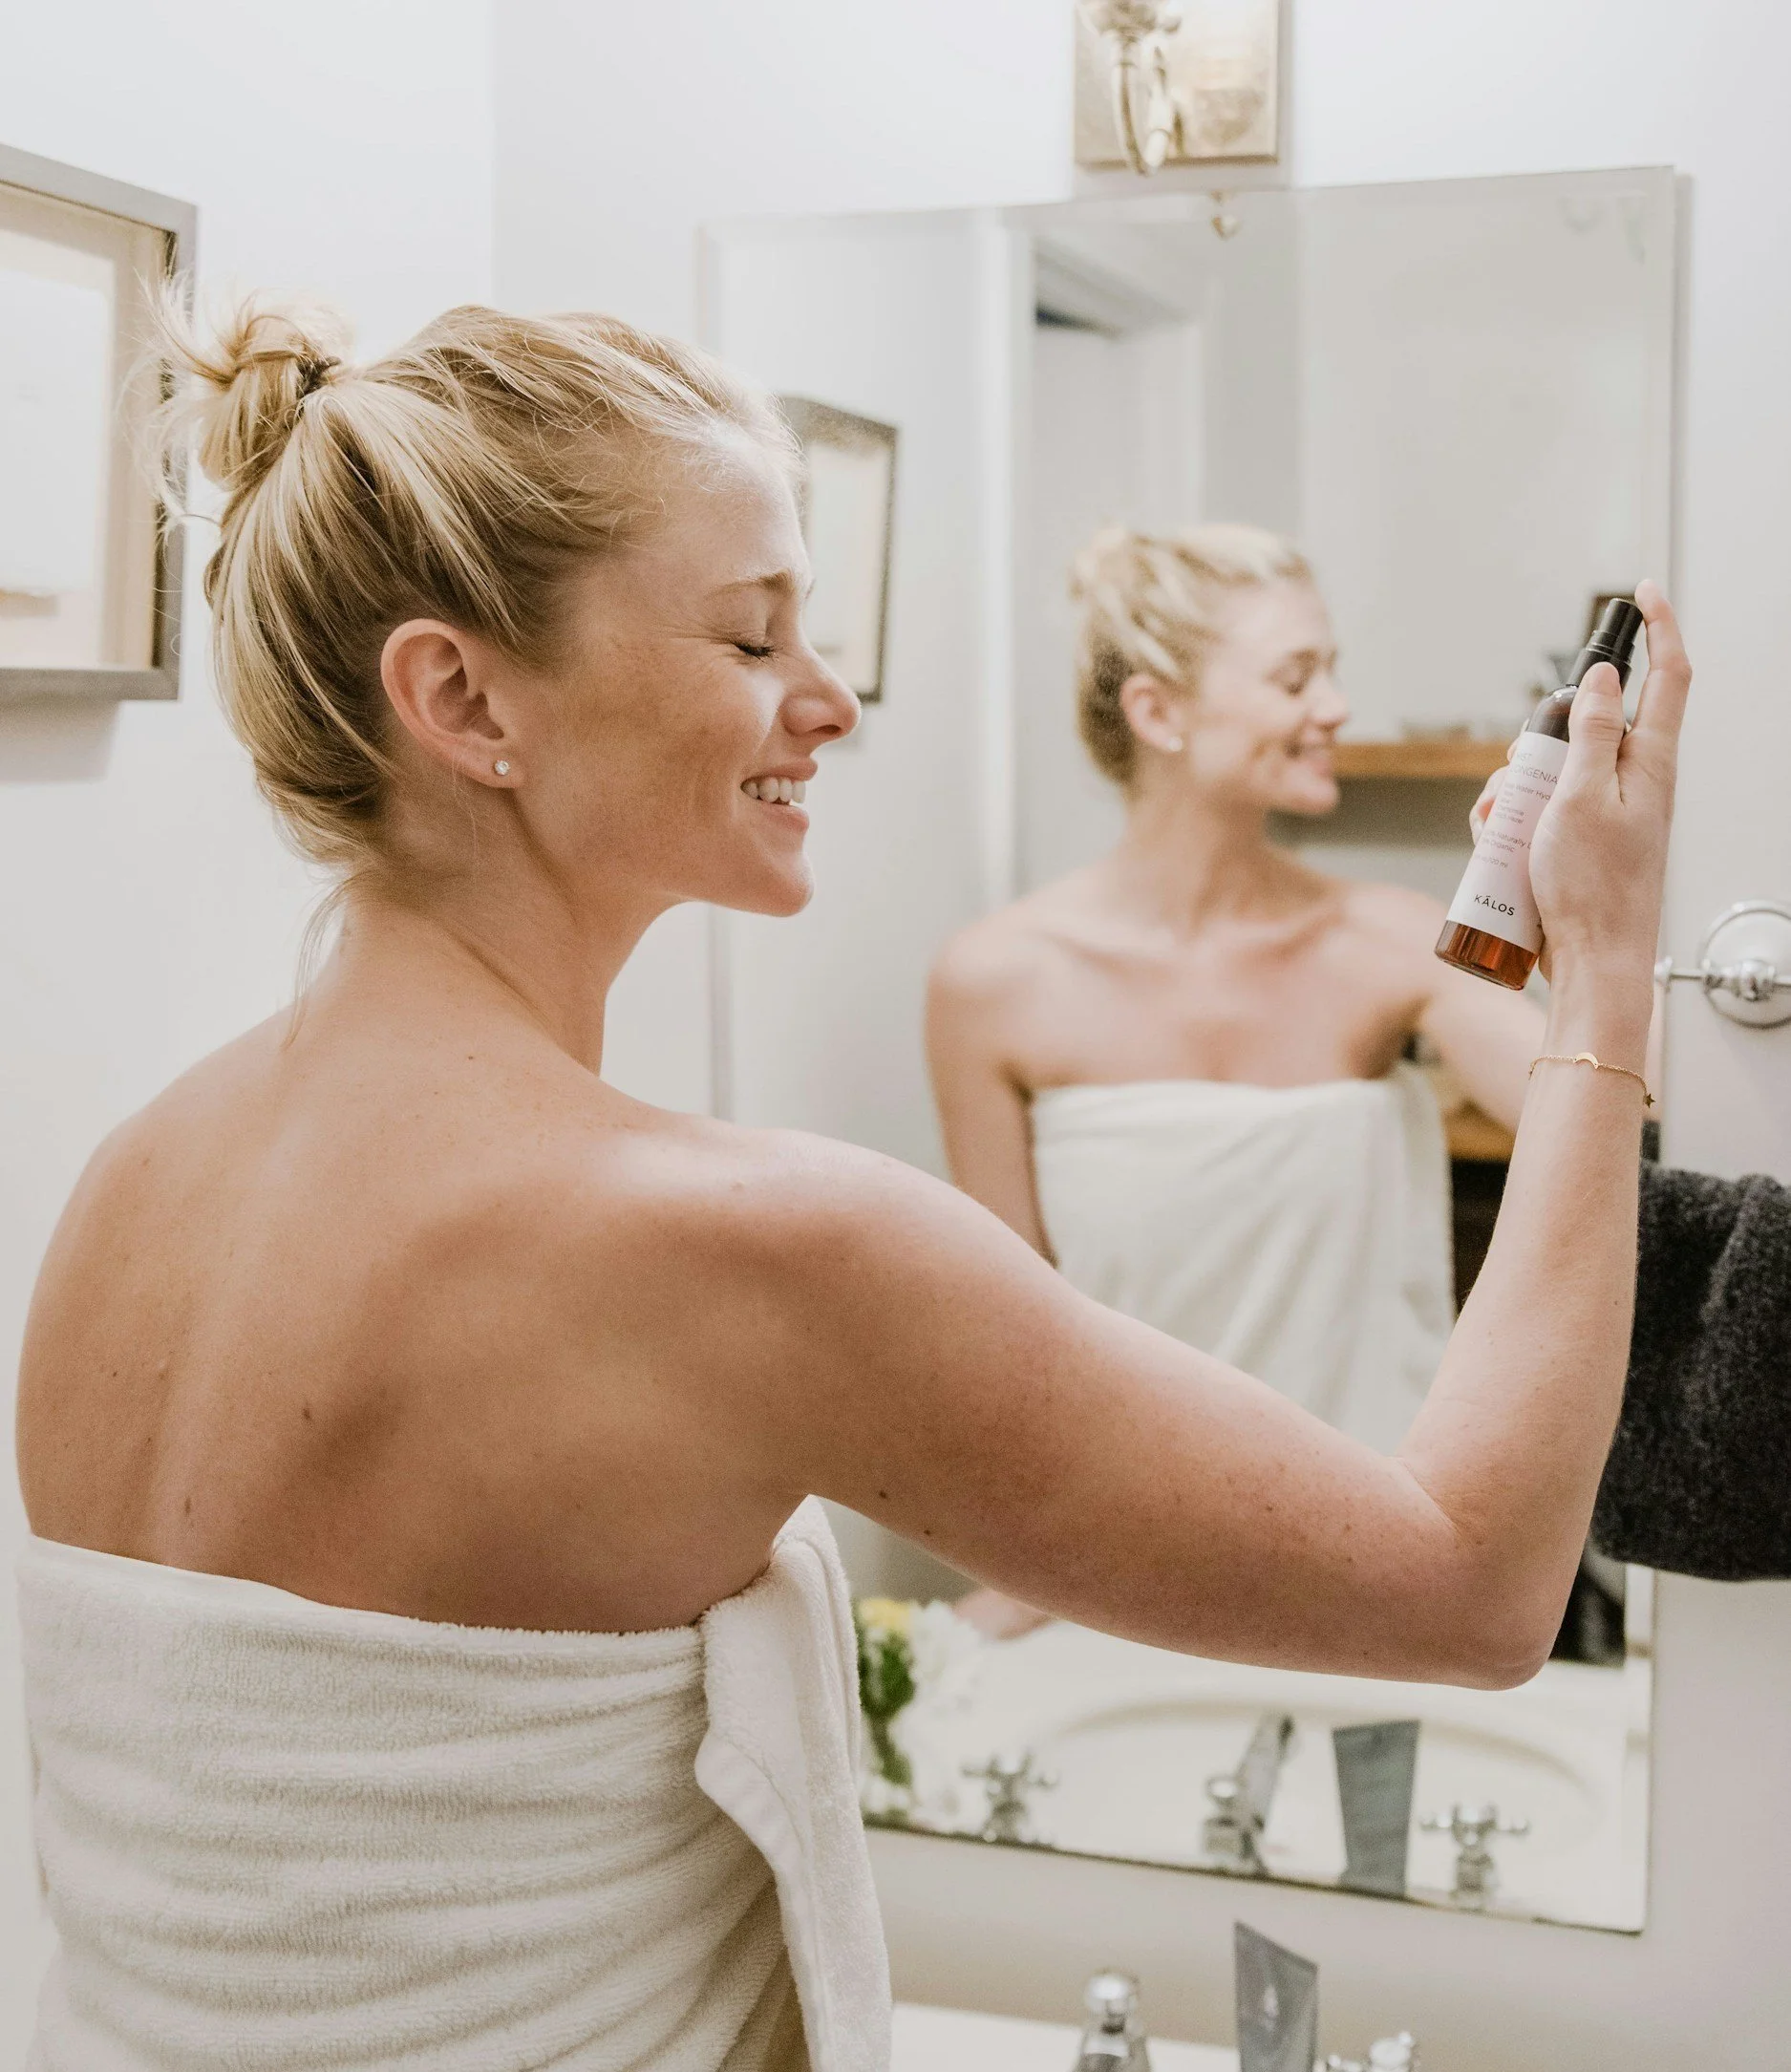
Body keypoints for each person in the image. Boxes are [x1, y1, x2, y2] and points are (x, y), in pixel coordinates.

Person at [16, 293, 1687, 2072]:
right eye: (752, 636)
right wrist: (1604, 977)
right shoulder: (735, 1244)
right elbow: (1477, 1582)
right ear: (461, 695)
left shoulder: (127, 1186)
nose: (829, 703)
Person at [927, 524, 1545, 1454]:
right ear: (1158, 713)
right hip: (1130, 1543)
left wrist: (1578, 904)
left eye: (1331, 671)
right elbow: (1011, 1352)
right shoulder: (994, 987)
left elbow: (1609, 1112)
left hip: (1384, 1524)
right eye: (1295, 679)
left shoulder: (1392, 940)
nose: (1337, 707)